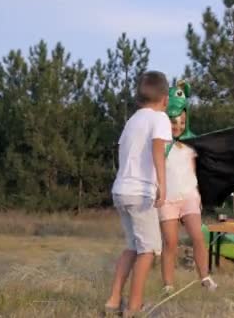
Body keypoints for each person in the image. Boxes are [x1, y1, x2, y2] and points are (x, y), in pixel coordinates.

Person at [104, 71, 172, 316]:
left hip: (121, 190)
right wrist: (162, 185)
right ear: (164, 98)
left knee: (133, 247)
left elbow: (124, 152)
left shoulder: (132, 121)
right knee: (149, 250)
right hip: (140, 192)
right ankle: (134, 307)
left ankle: (113, 301)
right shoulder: (160, 118)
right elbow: (157, 151)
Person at [158, 81, 217, 293]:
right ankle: (168, 285)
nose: (178, 127)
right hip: (167, 200)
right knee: (170, 242)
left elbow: (195, 170)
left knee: (198, 237)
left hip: (190, 197)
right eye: (174, 123)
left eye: (182, 123)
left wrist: (199, 194)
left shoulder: (192, 144)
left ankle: (205, 278)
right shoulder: (160, 143)